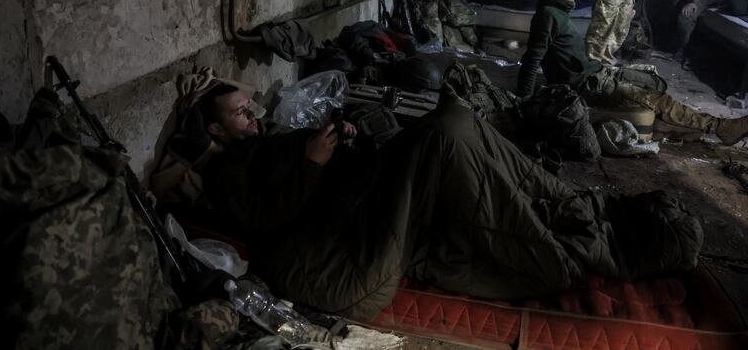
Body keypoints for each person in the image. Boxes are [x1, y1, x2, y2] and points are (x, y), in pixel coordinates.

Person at [187, 78, 702, 320]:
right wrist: (312, 164)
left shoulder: (269, 138)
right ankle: (576, 246)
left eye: (250, 105)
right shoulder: (229, 171)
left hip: (365, 190)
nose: (252, 114)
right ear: (215, 130)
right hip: (347, 233)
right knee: (447, 133)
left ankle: (580, 214)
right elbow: (265, 220)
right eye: (238, 113)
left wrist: (342, 139)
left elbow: (328, 162)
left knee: (464, 126)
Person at [518, 0, 748, 145]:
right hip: (586, 84)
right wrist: (524, 98)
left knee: (651, 78)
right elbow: (532, 57)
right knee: (655, 99)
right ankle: (719, 126)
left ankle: (699, 124)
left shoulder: (555, 13)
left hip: (594, 73)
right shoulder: (548, 16)